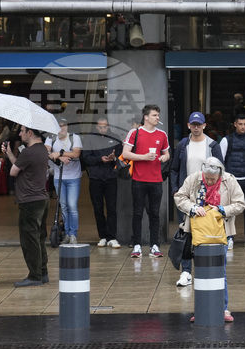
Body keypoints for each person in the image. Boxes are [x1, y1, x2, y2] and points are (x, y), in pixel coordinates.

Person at [174, 157, 245, 323]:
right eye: (207, 178)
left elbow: (240, 204)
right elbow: (179, 197)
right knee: (200, 270)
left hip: (220, 231)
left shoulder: (230, 181)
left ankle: (223, 308)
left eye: (213, 179)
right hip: (197, 232)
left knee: (220, 270)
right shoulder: (193, 179)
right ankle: (202, 308)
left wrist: (222, 210)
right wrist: (192, 207)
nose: (209, 181)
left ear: (220, 174)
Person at [171, 111, 223, 285]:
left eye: (198, 124)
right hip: (186, 194)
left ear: (204, 125)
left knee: (206, 232)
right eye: (193, 124)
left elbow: (222, 171)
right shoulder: (183, 145)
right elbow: (174, 169)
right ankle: (186, 271)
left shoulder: (212, 145)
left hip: (208, 195)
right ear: (188, 125)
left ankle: (204, 267)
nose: (196, 127)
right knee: (186, 232)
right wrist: (175, 191)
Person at [3, 126, 51, 287]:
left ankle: (35, 276)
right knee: (39, 238)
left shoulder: (28, 152)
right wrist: (10, 153)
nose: (20, 134)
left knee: (29, 239)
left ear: (30, 133)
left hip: (29, 201)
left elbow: (13, 172)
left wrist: (10, 156)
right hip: (42, 198)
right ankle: (43, 273)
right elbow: (22, 167)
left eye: (22, 131)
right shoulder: (43, 149)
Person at [122, 104, 172, 259]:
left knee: (155, 213)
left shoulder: (162, 134)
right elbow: (125, 153)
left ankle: (154, 245)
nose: (158, 118)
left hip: (156, 179)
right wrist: (143, 157)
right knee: (137, 213)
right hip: (138, 179)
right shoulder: (135, 132)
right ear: (146, 117)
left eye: (158, 115)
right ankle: (137, 245)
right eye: (155, 115)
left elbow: (166, 153)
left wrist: (164, 157)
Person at [219, 113, 245, 249]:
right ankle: (229, 237)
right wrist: (224, 177)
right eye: (240, 124)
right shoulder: (226, 140)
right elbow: (220, 160)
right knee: (230, 210)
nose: (243, 127)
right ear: (235, 124)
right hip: (231, 179)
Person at [80, 117, 122, 248]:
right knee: (98, 208)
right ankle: (102, 236)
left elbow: (122, 157)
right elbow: (85, 158)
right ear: (96, 127)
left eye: (105, 126)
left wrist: (113, 157)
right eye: (100, 127)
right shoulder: (89, 138)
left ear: (108, 126)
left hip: (111, 178)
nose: (103, 129)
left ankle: (112, 236)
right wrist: (100, 159)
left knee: (112, 208)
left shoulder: (115, 137)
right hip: (95, 178)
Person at [45, 118, 83, 245]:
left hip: (73, 177)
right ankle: (67, 233)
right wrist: (60, 157)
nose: (62, 128)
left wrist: (59, 153)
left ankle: (73, 234)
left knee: (72, 206)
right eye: (60, 126)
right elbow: (46, 151)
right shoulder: (51, 138)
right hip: (58, 176)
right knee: (64, 206)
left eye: (65, 125)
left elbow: (76, 153)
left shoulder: (74, 137)